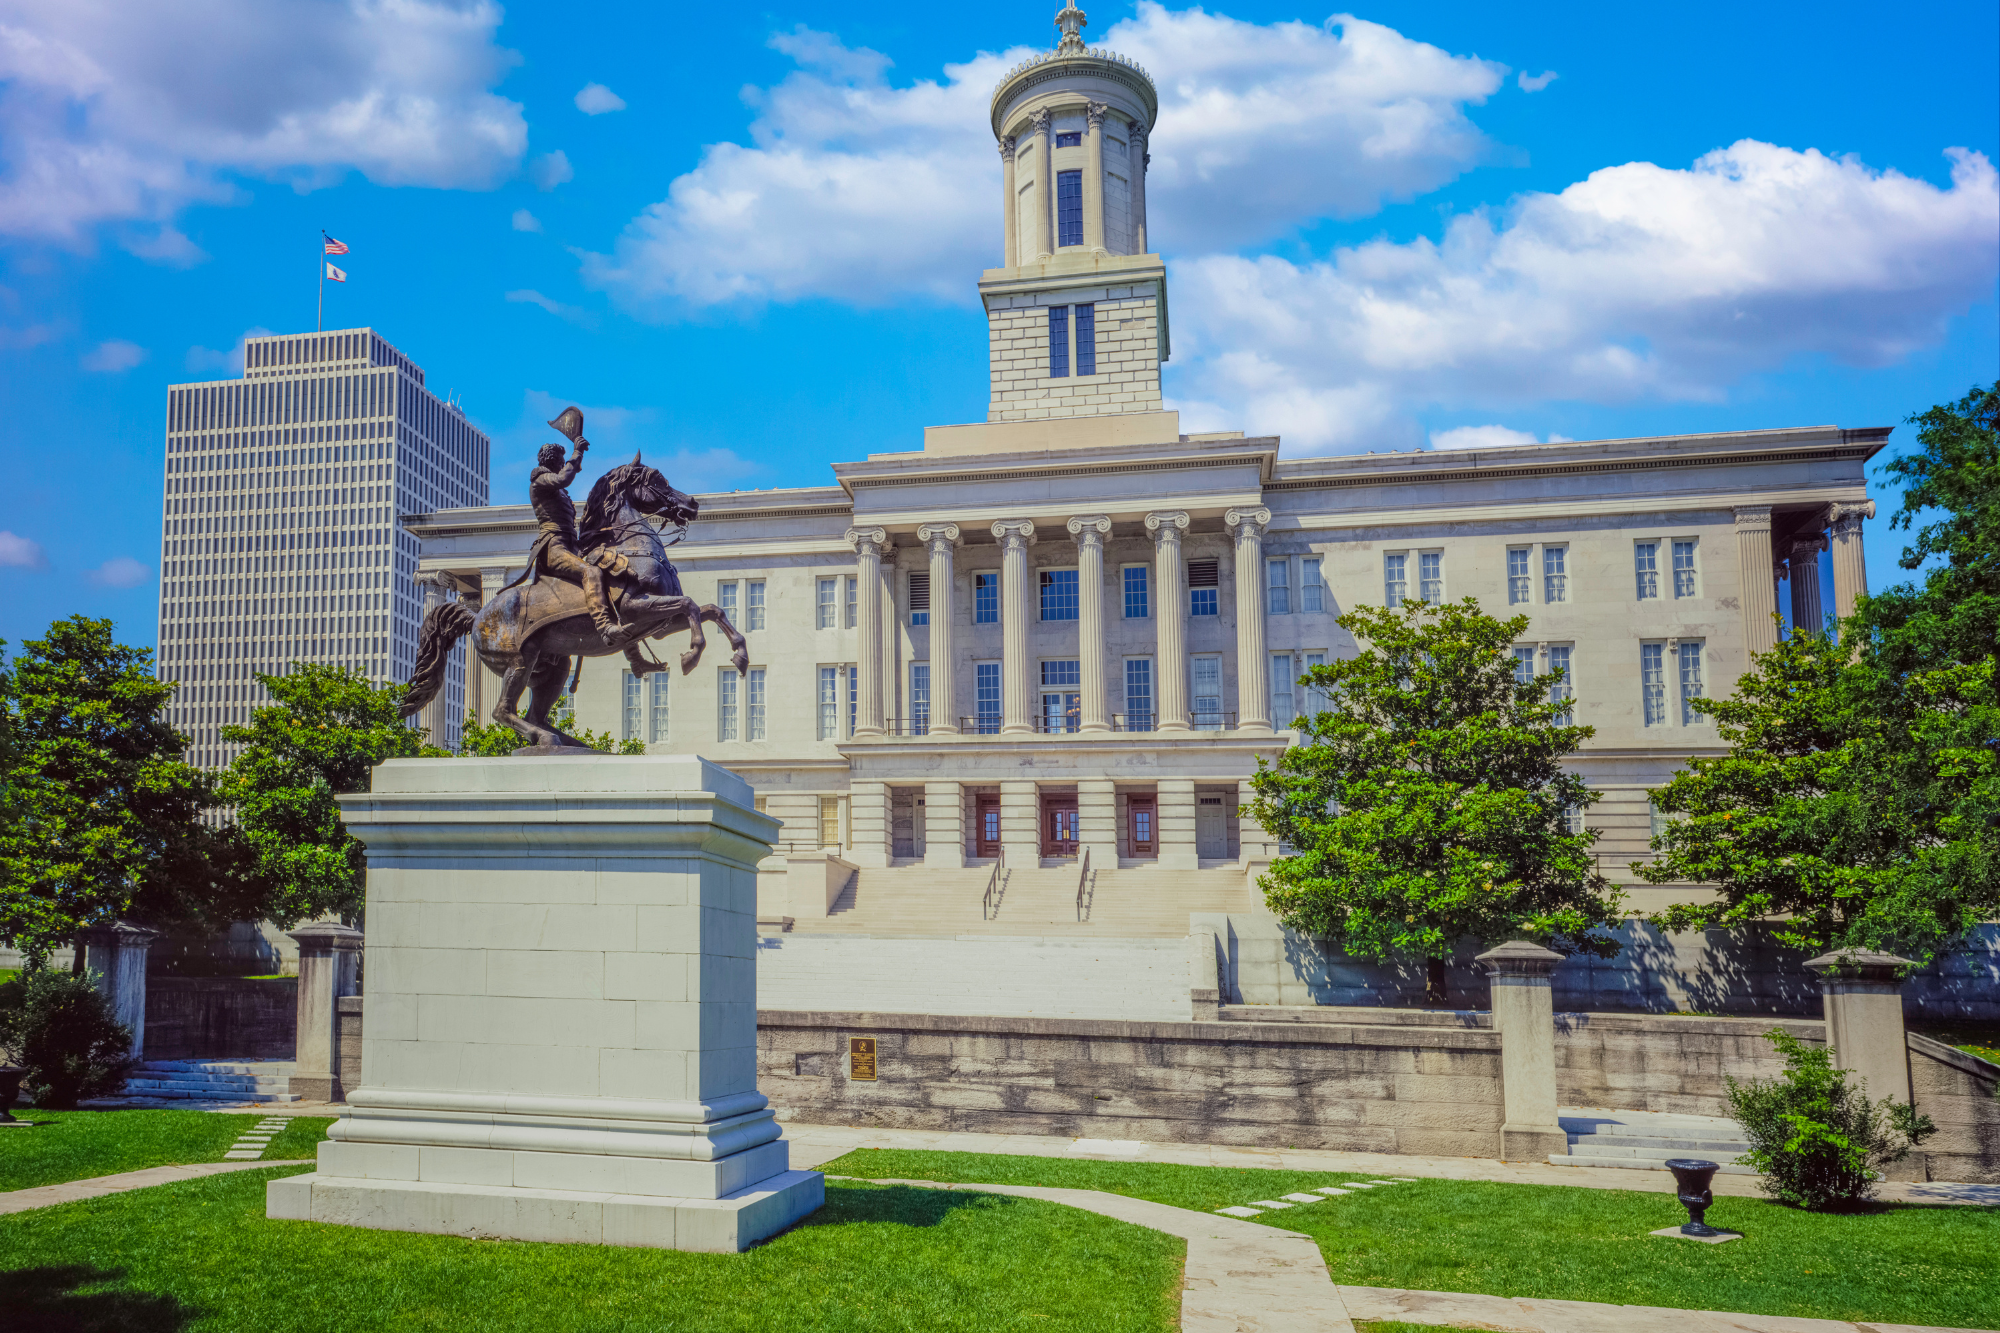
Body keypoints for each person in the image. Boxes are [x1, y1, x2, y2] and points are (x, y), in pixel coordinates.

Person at [520, 409, 615, 641]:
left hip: (570, 546)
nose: (565, 464)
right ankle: (604, 627)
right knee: (591, 572)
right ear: (554, 461)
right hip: (554, 548)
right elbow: (564, 477)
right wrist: (576, 452)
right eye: (562, 461)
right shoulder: (540, 481)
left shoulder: (557, 490)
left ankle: (631, 649)